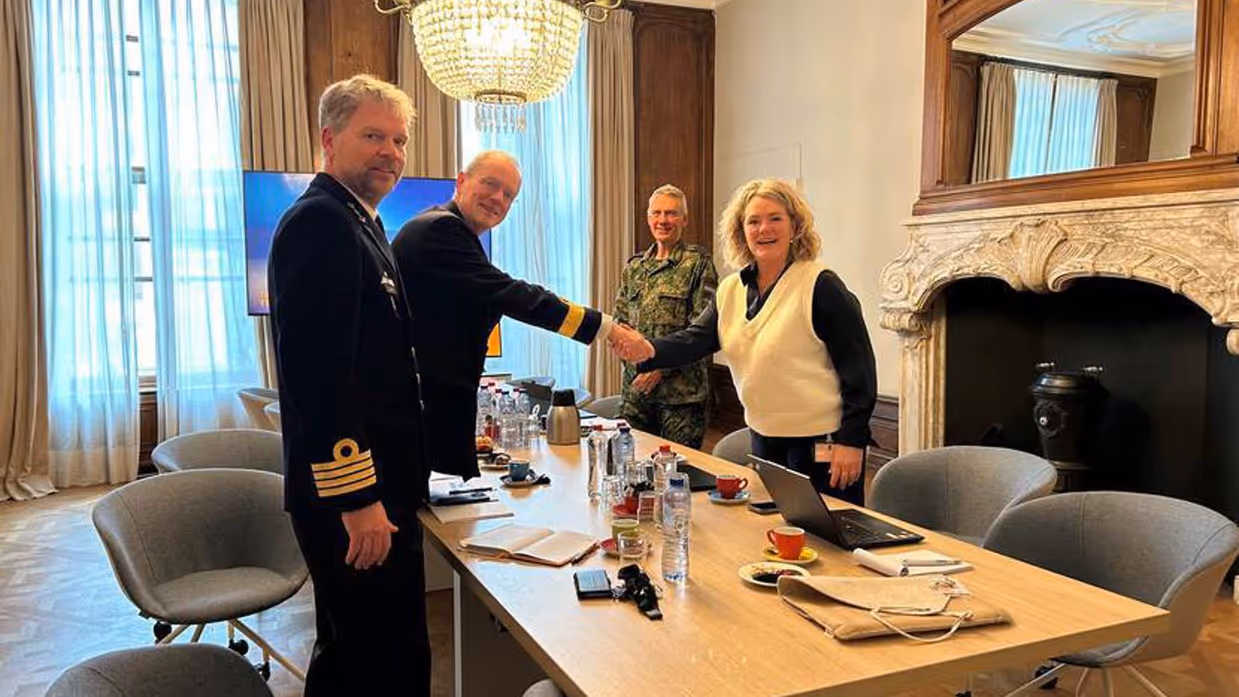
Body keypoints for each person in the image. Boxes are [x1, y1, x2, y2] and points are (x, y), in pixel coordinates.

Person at [268, 75, 429, 696]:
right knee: (378, 662)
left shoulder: (362, 223)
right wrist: (357, 499)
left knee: (357, 653)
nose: (391, 151)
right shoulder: (321, 223)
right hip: (357, 496)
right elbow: (318, 378)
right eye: (373, 136)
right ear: (329, 140)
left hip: (380, 485)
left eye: (399, 139)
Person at [610, 178, 877, 505]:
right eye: (753, 221)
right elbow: (696, 339)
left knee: (831, 544)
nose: (764, 228)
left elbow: (859, 369)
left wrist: (852, 440)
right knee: (771, 537)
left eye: (775, 218)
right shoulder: (731, 289)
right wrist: (648, 349)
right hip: (764, 439)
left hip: (824, 444)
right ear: (741, 231)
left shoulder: (820, 285)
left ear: (795, 225)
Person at [392, 150, 640, 478]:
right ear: (462, 182)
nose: (498, 198)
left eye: (508, 195)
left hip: (430, 411)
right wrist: (606, 328)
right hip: (422, 416)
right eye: (491, 184)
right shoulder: (441, 230)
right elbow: (512, 294)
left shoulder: (445, 228)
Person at [614, 185, 718, 449]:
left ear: (684, 219)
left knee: (678, 476)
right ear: (648, 218)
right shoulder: (634, 267)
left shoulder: (699, 264)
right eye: (657, 213)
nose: (663, 220)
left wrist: (659, 368)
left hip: (681, 399)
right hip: (635, 392)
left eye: (671, 214)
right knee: (627, 467)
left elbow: (702, 331)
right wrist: (633, 361)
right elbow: (620, 323)